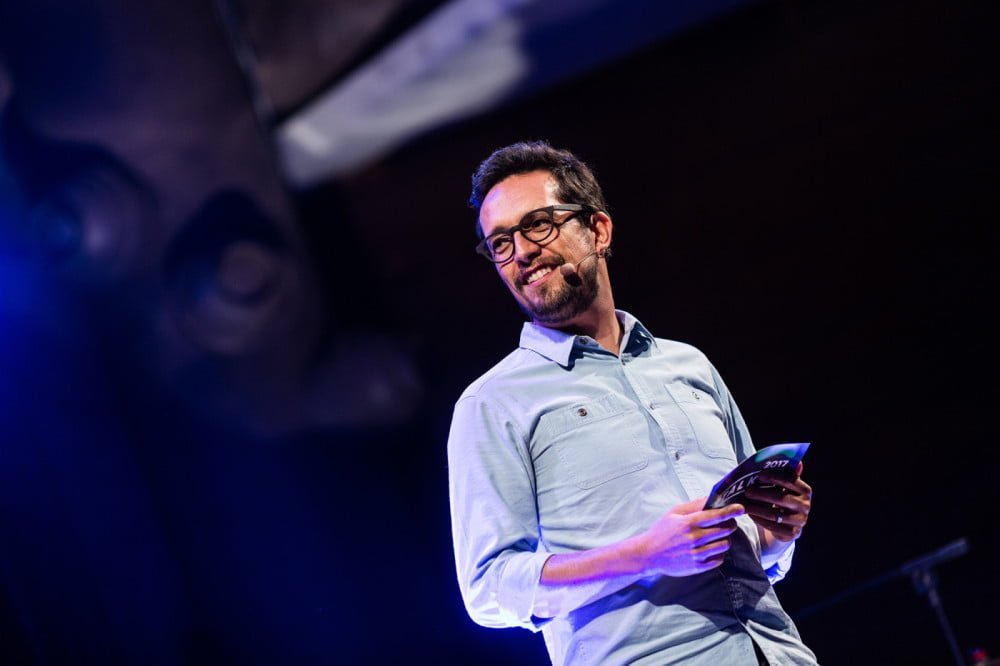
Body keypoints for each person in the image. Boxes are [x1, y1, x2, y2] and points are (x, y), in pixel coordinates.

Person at [447, 141, 819, 665]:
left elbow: (753, 545)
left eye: (537, 225)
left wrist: (777, 535)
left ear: (598, 230)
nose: (522, 251)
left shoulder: (687, 365)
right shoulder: (492, 404)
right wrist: (643, 556)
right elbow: (488, 589)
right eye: (501, 242)